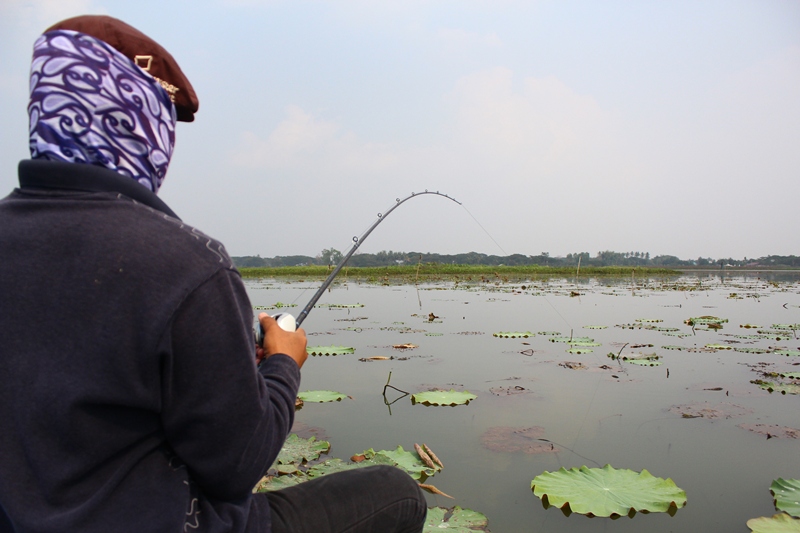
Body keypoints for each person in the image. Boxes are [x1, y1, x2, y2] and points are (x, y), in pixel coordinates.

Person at [0, 15, 427, 533]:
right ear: (138, 122)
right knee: (397, 493)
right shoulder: (186, 262)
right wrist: (282, 365)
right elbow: (236, 468)